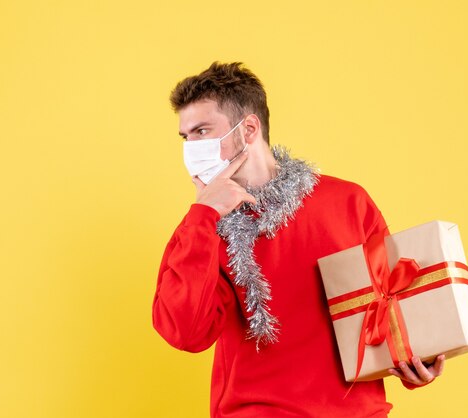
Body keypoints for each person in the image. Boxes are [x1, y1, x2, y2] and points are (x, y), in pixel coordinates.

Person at [151, 62, 445, 417]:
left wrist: (417, 362)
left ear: (247, 129)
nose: (191, 147)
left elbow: (392, 306)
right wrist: (204, 215)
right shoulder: (203, 228)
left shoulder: (348, 202)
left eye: (201, 131)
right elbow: (185, 333)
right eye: (185, 137)